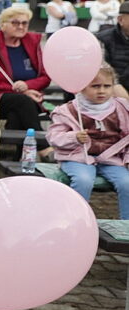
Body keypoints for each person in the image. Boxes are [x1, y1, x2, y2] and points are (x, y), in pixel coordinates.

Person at [48, 63, 129, 220]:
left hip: (111, 159)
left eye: (107, 86)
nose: (102, 91)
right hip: (78, 158)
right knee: (83, 180)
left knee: (126, 182)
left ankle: (126, 224)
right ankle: (76, 220)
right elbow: (54, 136)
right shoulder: (68, 110)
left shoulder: (121, 108)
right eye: (95, 86)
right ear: (82, 87)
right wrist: (74, 137)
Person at [0, 6, 51, 149]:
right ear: (3, 24)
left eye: (25, 23)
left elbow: (45, 77)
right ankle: (43, 148)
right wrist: (18, 90)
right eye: (15, 23)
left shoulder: (32, 43)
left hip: (28, 99)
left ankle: (12, 160)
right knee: (22, 101)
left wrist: (28, 86)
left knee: (16, 115)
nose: (21, 27)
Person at [98, 2, 129, 93]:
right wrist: (116, 85)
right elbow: (102, 69)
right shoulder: (103, 39)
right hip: (112, 89)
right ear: (120, 20)